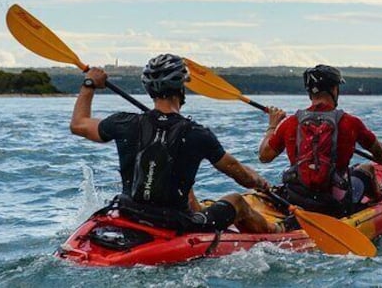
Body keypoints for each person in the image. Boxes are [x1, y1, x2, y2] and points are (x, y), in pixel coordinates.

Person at [69, 53, 282, 234]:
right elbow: (239, 174)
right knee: (237, 201)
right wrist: (259, 182)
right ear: (181, 89)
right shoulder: (197, 133)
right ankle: (278, 233)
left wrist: (89, 84)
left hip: (128, 212)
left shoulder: (124, 123)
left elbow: (78, 125)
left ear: (149, 90)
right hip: (174, 223)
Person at [258, 64, 382, 218]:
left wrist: (273, 125)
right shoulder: (351, 123)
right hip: (334, 205)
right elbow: (380, 154)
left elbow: (264, 156)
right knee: (367, 169)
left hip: (296, 198)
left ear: (309, 92)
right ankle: (378, 199)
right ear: (334, 89)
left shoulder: (290, 123)